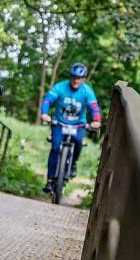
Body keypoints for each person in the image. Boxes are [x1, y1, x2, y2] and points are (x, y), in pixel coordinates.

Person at [40, 63, 101, 193]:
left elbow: (94, 107)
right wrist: (44, 113)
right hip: (59, 123)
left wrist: (96, 120)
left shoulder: (87, 91)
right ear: (70, 77)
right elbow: (47, 100)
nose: (76, 80)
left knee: (78, 142)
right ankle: (50, 181)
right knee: (55, 147)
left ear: (83, 79)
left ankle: (73, 164)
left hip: (79, 125)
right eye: (73, 77)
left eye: (79, 78)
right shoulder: (60, 87)